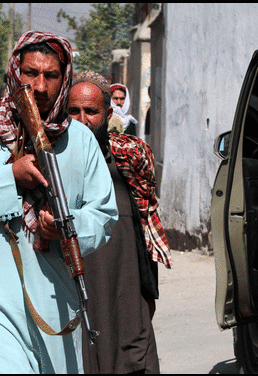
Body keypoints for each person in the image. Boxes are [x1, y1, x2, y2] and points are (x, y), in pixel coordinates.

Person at [0, 31, 118, 374]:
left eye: (51, 76)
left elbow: (104, 216)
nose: (40, 87)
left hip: (53, 299)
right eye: (30, 73)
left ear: (65, 80)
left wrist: (65, 227)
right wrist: (9, 180)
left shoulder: (80, 141)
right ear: (14, 72)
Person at [67, 71, 173, 374]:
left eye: (91, 111)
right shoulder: (53, 162)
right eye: (73, 111)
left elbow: (144, 231)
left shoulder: (128, 161)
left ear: (108, 113)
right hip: (80, 297)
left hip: (126, 297)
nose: (82, 120)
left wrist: (149, 291)